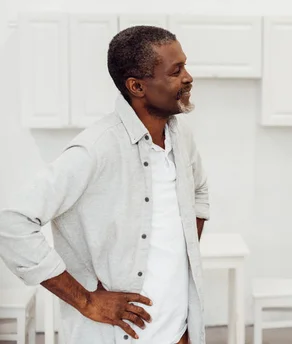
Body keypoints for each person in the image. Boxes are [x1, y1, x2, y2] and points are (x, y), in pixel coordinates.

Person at [0, 26, 210, 344]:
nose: (188, 77)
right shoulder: (96, 148)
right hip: (117, 337)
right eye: (175, 70)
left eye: (185, 65)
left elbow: (199, 192)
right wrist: (86, 301)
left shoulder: (181, 135)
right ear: (137, 86)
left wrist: (185, 255)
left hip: (180, 331)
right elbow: (13, 223)